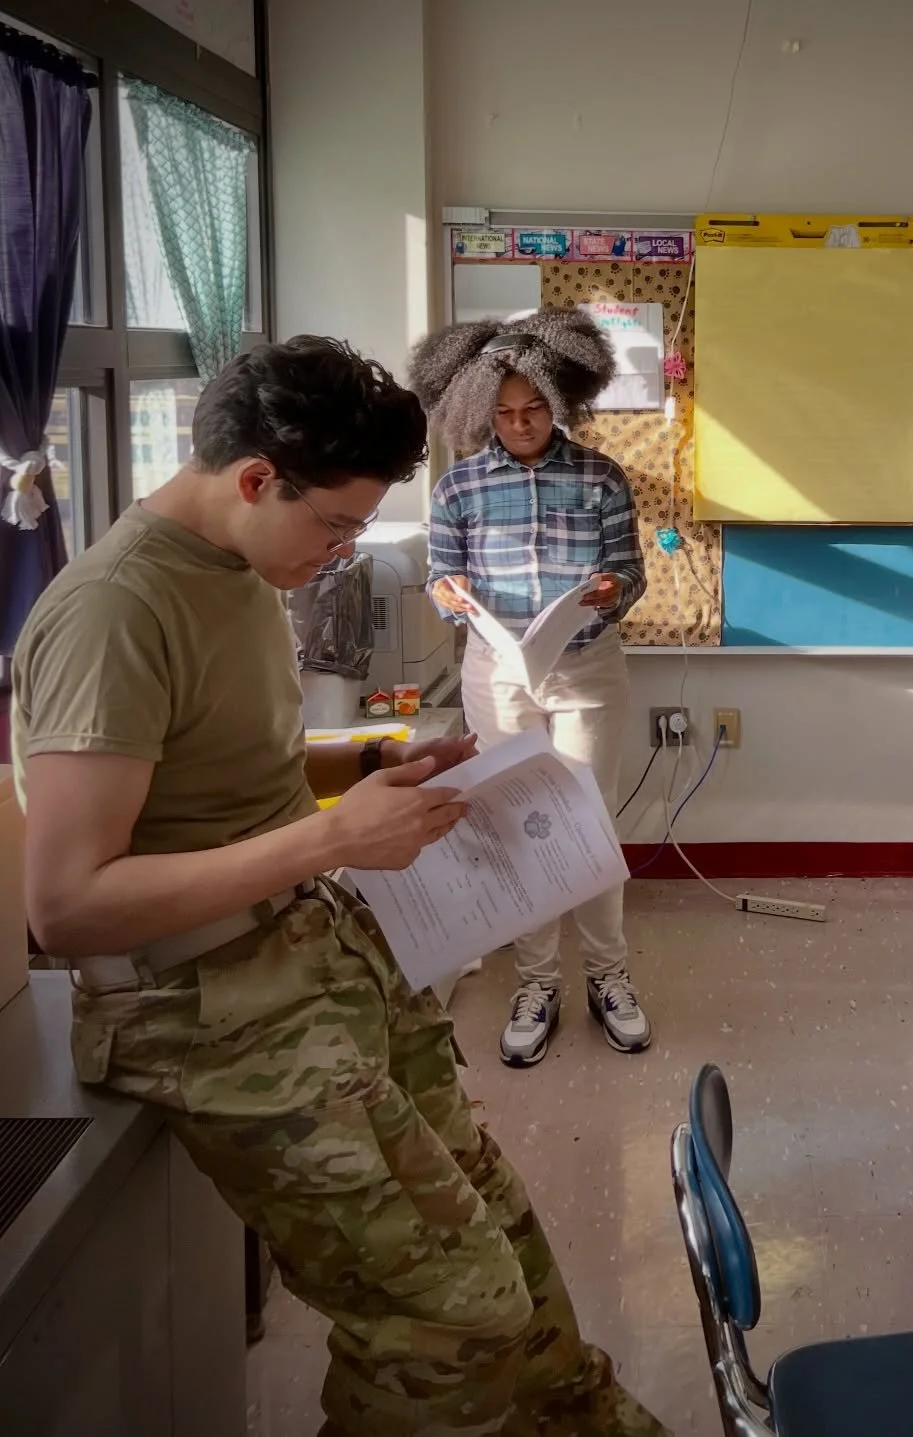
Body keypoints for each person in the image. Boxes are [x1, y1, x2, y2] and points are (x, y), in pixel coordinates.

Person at [11, 337, 669, 1437]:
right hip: (207, 1013)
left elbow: (229, 775)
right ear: (257, 478)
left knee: (508, 1246)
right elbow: (69, 904)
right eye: (334, 526)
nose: (341, 552)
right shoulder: (114, 612)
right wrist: (330, 842)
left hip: (320, 966)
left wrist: (368, 765)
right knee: (450, 1322)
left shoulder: (235, 569)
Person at [409, 311, 651, 1067]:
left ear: (560, 403)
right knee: (520, 823)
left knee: (590, 821)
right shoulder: (458, 485)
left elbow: (631, 574)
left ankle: (609, 977)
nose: (519, 425)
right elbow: (438, 577)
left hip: (585, 668)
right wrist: (447, 593)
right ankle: (537, 983)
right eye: (505, 414)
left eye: (534, 410)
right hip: (498, 669)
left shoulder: (602, 477)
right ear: (483, 411)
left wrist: (610, 588)